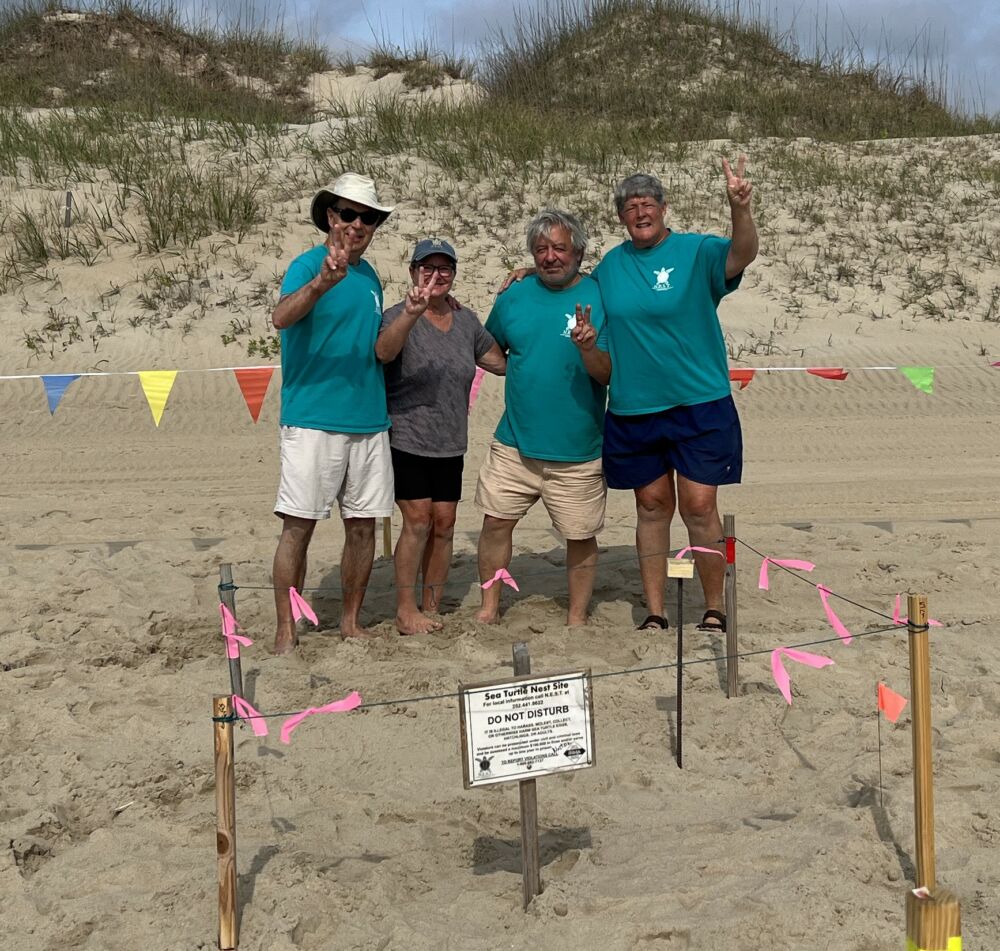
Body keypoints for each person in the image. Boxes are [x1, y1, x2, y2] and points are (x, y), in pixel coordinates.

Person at [572, 159, 758, 632]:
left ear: (662, 208)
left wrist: (741, 208)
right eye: (631, 207)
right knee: (651, 507)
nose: (640, 212)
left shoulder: (695, 251)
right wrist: (524, 273)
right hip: (636, 409)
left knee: (699, 506)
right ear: (621, 217)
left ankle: (714, 606)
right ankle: (655, 611)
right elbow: (565, 280)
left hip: (699, 403)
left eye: (648, 204)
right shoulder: (611, 266)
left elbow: (742, 254)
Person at [270, 172, 395, 653]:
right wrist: (322, 282)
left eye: (368, 217)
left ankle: (349, 620)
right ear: (330, 216)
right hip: (312, 419)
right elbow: (281, 317)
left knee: (363, 527)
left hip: (368, 420)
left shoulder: (370, 277)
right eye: (348, 213)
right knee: (298, 525)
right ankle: (286, 628)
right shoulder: (306, 265)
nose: (357, 224)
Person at [475, 209, 608, 626]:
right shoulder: (513, 293)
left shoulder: (602, 295)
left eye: (559, 248)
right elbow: (487, 343)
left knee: (580, 536)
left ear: (579, 252)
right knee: (495, 524)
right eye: (541, 249)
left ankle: (576, 617)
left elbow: (609, 373)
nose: (551, 257)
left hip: (579, 448)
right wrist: (506, 367)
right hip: (515, 443)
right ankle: (489, 608)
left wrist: (588, 349)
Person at [376, 239, 506, 635]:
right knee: (417, 521)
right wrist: (412, 314)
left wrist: (522, 288)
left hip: (451, 440)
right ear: (413, 271)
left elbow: (499, 362)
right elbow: (383, 352)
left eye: (445, 269)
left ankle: (431, 603)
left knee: (445, 522)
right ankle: (405, 607)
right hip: (407, 437)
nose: (436, 276)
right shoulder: (397, 315)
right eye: (427, 268)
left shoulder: (465, 321)